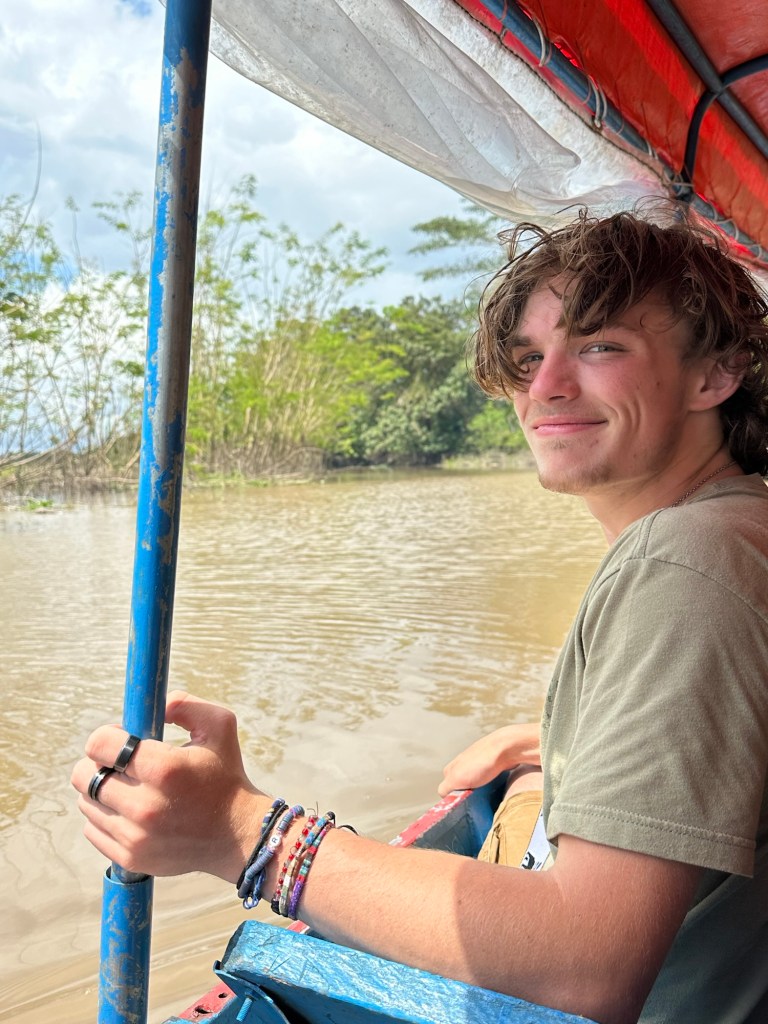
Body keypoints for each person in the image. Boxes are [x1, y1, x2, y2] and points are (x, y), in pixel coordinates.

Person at [72, 211, 768, 1024]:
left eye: (599, 345)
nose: (545, 387)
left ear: (715, 373)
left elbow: (589, 964)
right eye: (527, 358)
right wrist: (559, 744)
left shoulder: (684, 562)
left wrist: (244, 834)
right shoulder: (737, 529)